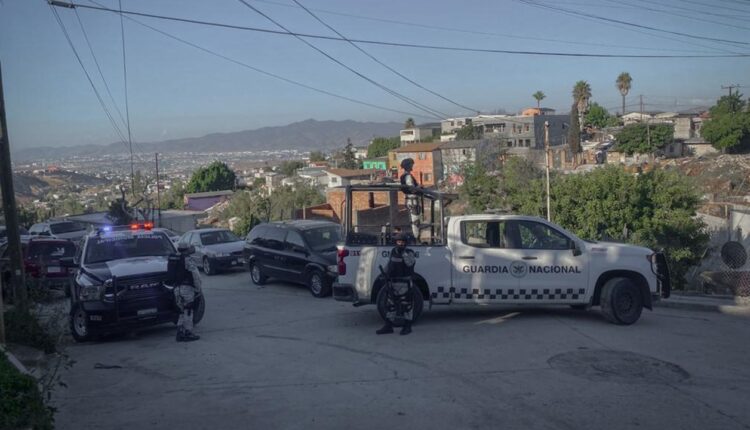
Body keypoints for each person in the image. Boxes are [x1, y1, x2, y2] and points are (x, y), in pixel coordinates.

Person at [376, 232, 417, 336]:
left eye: (403, 242)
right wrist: (384, 274)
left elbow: (410, 263)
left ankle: (407, 326)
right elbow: (390, 264)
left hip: (405, 283)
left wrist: (403, 253)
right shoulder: (393, 251)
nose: (401, 244)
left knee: (406, 305)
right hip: (393, 283)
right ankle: (388, 326)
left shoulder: (409, 252)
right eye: (399, 242)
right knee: (391, 305)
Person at [167, 244, 202, 342]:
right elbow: (195, 275)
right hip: (187, 288)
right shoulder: (187, 259)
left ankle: (180, 332)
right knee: (189, 310)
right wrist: (198, 288)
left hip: (176, 289)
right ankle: (188, 332)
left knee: (182, 311)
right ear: (186, 250)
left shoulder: (174, 258)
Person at [399, 158, 422, 241]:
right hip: (412, 201)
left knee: (414, 220)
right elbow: (411, 188)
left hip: (409, 200)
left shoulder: (403, 176)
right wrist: (419, 188)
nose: (412, 166)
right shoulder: (408, 176)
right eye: (411, 164)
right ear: (408, 166)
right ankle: (416, 239)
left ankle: (415, 237)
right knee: (415, 221)